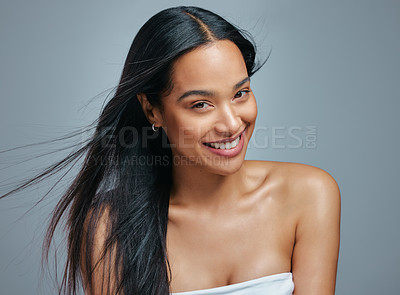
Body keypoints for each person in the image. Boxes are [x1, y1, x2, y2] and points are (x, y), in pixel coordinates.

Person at [1, 5, 341, 295]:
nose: (232, 124)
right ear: (153, 111)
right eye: (201, 104)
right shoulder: (111, 225)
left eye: (241, 93)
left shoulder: (307, 195)